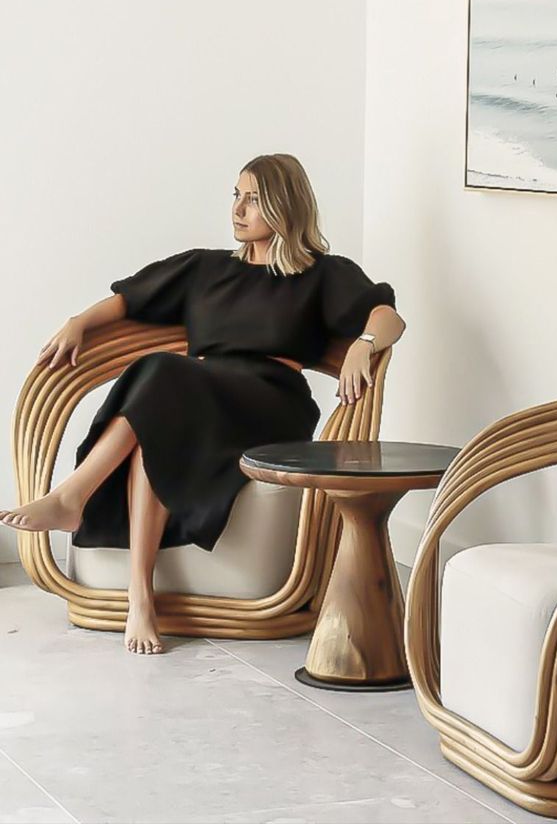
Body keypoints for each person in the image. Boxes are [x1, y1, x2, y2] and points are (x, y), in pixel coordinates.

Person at [0, 153, 405, 656]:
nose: (238, 209)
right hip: (197, 402)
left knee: (164, 374)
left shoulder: (323, 274)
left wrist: (364, 342)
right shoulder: (205, 268)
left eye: (253, 198)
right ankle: (140, 597)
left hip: (268, 402)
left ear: (285, 204)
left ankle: (73, 497)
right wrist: (79, 321)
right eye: (235, 195)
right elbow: (129, 299)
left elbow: (389, 316)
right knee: (159, 425)